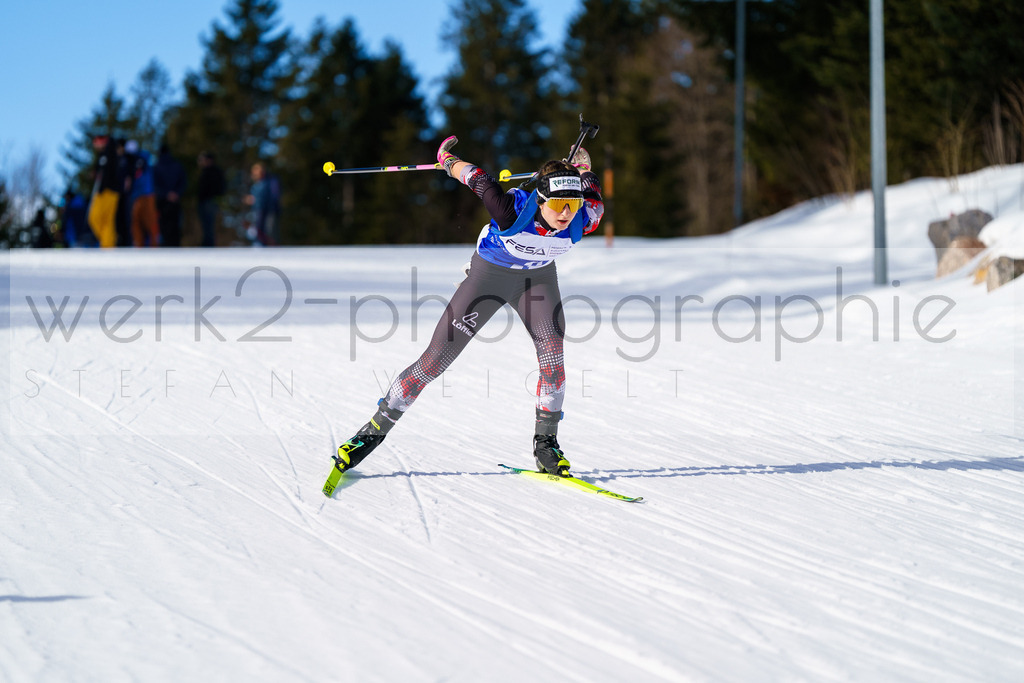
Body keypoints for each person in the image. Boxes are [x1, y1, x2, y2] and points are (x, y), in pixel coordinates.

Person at [331, 135, 604, 478]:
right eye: (558, 205)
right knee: (434, 361)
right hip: (487, 279)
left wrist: (581, 167)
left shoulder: (587, 215)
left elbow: (586, 178)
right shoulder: (509, 210)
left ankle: (546, 445)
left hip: (537, 280)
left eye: (573, 205)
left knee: (553, 355)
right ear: (540, 198)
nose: (566, 214)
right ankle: (369, 434)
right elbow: (477, 178)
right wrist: (447, 160)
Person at [87, 135, 120, 248]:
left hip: (109, 191)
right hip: (104, 191)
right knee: (96, 218)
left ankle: (108, 243)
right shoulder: (102, 156)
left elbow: (110, 172)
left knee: (104, 219)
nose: (95, 145)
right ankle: (107, 241)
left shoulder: (110, 153)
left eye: (96, 142)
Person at [153, 143, 186, 247]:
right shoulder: (178, 165)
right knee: (175, 225)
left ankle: (164, 246)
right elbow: (183, 182)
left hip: (162, 201)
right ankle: (175, 246)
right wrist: (176, 193)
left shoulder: (156, 166)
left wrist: (166, 194)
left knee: (163, 225)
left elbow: (155, 184)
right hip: (175, 201)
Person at [129, 147, 160, 247]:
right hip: (142, 195)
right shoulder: (146, 164)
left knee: (147, 222)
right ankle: (141, 244)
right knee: (138, 222)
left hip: (146, 195)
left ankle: (151, 244)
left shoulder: (141, 162)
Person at [197, 151, 226, 247]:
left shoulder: (214, 172)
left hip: (210, 201)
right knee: (206, 224)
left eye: (203, 160)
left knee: (209, 224)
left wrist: (214, 197)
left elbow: (221, 188)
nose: (201, 162)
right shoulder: (205, 171)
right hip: (204, 201)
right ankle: (207, 243)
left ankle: (209, 245)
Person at [248, 162, 280, 245]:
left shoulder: (271, 181)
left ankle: (273, 251)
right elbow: (255, 198)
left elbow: (274, 195)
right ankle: (259, 248)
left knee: (270, 232)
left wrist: (272, 207)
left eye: (257, 170)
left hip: (269, 210)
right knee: (258, 232)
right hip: (257, 211)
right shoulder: (255, 185)